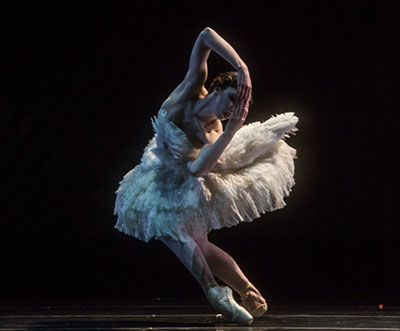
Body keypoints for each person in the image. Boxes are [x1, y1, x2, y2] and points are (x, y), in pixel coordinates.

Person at [114, 27, 298, 325]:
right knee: (198, 245)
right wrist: (243, 68)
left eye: (241, 104)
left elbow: (198, 169)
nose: (235, 108)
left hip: (180, 184)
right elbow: (205, 35)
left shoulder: (213, 130)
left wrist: (232, 130)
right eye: (232, 99)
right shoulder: (190, 88)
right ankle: (249, 293)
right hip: (155, 173)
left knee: (176, 234)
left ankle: (216, 293)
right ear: (215, 90)